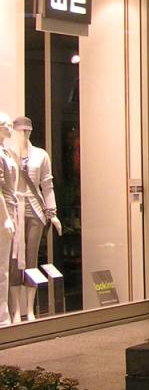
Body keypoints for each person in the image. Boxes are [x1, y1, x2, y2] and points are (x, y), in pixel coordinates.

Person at [8, 117, 60, 323]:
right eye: (21, 130)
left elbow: (47, 184)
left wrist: (52, 213)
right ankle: (15, 311)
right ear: (15, 131)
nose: (25, 134)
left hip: (35, 210)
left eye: (28, 130)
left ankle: (29, 309)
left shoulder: (40, 155)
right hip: (14, 210)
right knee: (14, 261)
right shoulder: (7, 154)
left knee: (31, 259)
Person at [0, 112, 19, 327]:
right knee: (2, 267)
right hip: (3, 212)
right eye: (6, 125)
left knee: (5, 266)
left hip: (10, 210)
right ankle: (2, 317)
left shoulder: (6, 151)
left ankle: (3, 314)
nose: (10, 128)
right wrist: (5, 217)